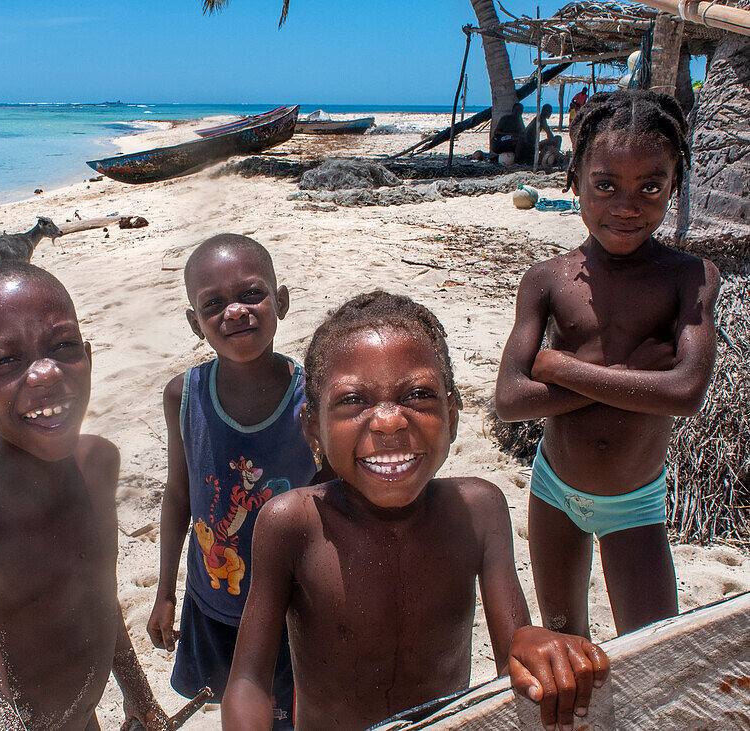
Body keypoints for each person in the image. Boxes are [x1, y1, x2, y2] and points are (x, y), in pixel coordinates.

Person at [223, 291, 610, 731]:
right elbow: (249, 680)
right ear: (313, 428)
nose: (389, 421)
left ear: (452, 414)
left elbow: (512, 652)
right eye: (353, 400)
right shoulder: (291, 524)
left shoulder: (478, 510)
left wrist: (533, 644)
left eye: (418, 395)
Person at [495, 89, 720, 640]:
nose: (627, 204)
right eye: (605, 185)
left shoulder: (689, 277)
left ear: (674, 186)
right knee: (565, 645)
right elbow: (509, 401)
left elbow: (687, 393)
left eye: (651, 185)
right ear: (573, 181)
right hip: (553, 491)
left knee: (651, 653)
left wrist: (559, 365)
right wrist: (635, 377)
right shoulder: (546, 280)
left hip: (635, 503)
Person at [0, 262, 168, 731]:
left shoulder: (100, 463)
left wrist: (138, 695)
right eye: (4, 361)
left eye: (62, 345)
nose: (45, 373)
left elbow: (97, 594)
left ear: (89, 356)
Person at [146, 234, 321, 730]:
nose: (235, 311)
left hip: (297, 606)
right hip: (216, 599)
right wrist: (164, 591)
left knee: (294, 713)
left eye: (251, 294)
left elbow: (333, 496)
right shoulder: (184, 395)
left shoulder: (313, 396)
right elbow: (179, 495)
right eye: (213, 303)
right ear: (194, 323)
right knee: (237, 708)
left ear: (280, 302)